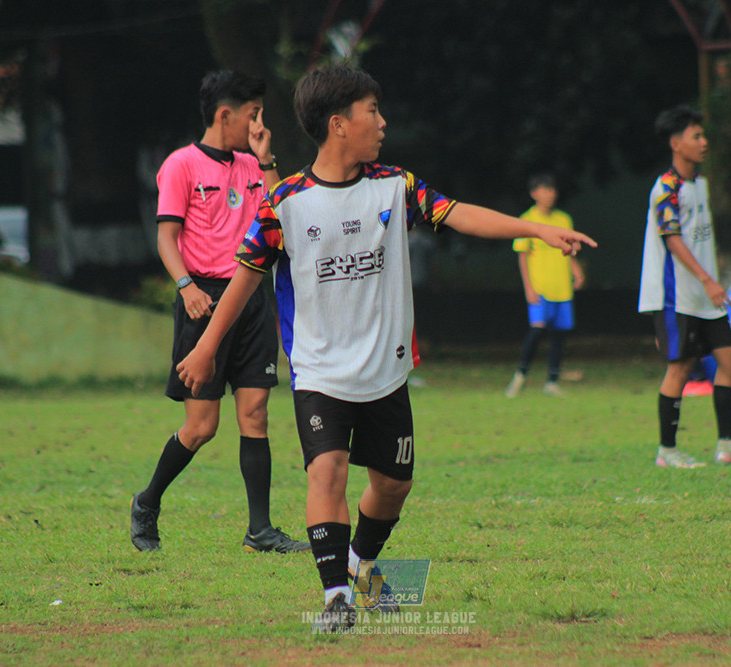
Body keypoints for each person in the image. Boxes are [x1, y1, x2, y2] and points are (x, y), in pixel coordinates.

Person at [175, 65, 596, 632]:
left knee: (393, 486)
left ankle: (361, 563)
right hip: (320, 370)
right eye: (372, 111)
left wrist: (537, 230)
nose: (383, 122)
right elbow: (245, 277)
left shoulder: (396, 185)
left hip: (386, 370)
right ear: (338, 124)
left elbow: (458, 212)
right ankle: (336, 599)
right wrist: (205, 348)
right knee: (328, 471)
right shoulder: (285, 204)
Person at [129, 71, 309, 554]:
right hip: (203, 298)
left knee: (255, 413)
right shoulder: (181, 166)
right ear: (224, 114)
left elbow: (283, 215)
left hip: (253, 297)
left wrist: (267, 157)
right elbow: (167, 237)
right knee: (203, 426)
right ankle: (147, 502)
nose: (258, 123)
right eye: (253, 114)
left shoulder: (254, 166)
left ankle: (260, 532)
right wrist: (185, 286)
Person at [638, 105, 731, 469]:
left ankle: (727, 446)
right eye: (697, 136)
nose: (704, 142)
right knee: (680, 368)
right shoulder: (667, 187)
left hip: (703, 295)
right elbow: (673, 239)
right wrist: (708, 279)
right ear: (676, 144)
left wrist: (713, 277)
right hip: (674, 296)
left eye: (703, 135)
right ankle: (667, 451)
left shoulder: (700, 185)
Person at [504, 174, 585, 398]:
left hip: (562, 287)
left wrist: (576, 271)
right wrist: (528, 288)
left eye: (552, 189)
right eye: (545, 190)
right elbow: (522, 256)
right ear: (534, 194)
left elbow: (570, 251)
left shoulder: (564, 219)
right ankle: (520, 375)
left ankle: (552, 381)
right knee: (537, 330)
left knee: (559, 335)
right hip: (540, 287)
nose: (550, 194)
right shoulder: (527, 220)